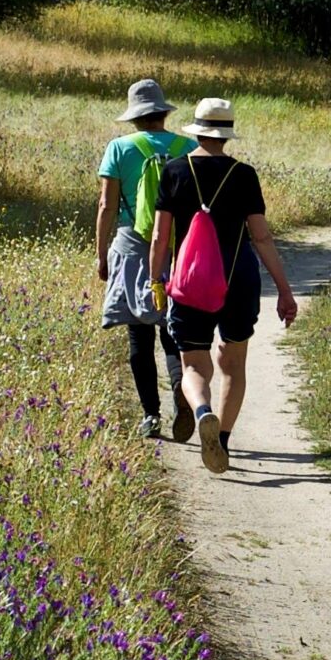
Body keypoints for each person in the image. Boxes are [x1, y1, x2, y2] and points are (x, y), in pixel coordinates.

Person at [148, 98, 300, 473]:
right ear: (227, 135)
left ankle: (203, 412)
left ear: (197, 129)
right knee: (233, 365)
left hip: (191, 282)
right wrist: (284, 289)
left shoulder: (174, 171)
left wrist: (156, 281)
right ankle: (225, 441)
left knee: (195, 366)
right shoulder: (244, 175)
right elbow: (261, 237)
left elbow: (160, 237)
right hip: (239, 277)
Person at [95, 78, 195, 438]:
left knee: (138, 336)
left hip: (132, 243)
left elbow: (107, 205)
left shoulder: (119, 149)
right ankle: (183, 394)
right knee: (172, 331)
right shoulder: (190, 146)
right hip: (179, 247)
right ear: (163, 113)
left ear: (135, 117)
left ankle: (150, 415)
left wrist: (101, 254)